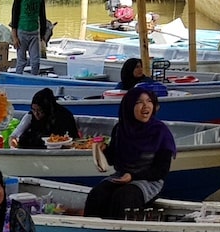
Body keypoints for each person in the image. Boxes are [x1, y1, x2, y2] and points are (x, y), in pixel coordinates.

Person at [86, 85, 177, 220]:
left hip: (149, 180)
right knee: (97, 194)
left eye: (149, 101)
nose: (146, 106)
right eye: (139, 102)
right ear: (129, 107)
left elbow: (160, 171)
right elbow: (113, 160)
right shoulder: (120, 129)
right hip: (122, 176)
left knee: (124, 197)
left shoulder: (160, 132)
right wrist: (103, 150)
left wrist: (133, 176)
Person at [11, 88, 80, 149]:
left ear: (47, 109)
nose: (36, 114)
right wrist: (13, 144)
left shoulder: (64, 116)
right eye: (34, 110)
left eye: (40, 111)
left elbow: (72, 140)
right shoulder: (30, 116)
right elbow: (14, 135)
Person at [10, 0, 48, 76]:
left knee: (35, 61)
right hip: (21, 32)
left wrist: (42, 34)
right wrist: (14, 37)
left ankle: (34, 80)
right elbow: (14, 15)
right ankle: (18, 79)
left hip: (35, 33)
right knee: (21, 61)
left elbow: (42, 16)